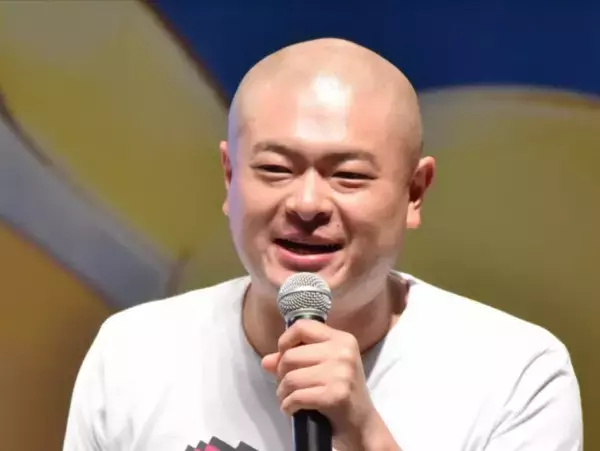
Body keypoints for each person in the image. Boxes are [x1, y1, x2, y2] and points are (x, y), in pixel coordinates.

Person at [63, 38, 583, 451]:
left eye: (348, 175)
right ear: (229, 178)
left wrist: (364, 434)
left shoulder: (516, 373)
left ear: (414, 192)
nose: (307, 203)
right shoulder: (132, 353)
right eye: (275, 169)